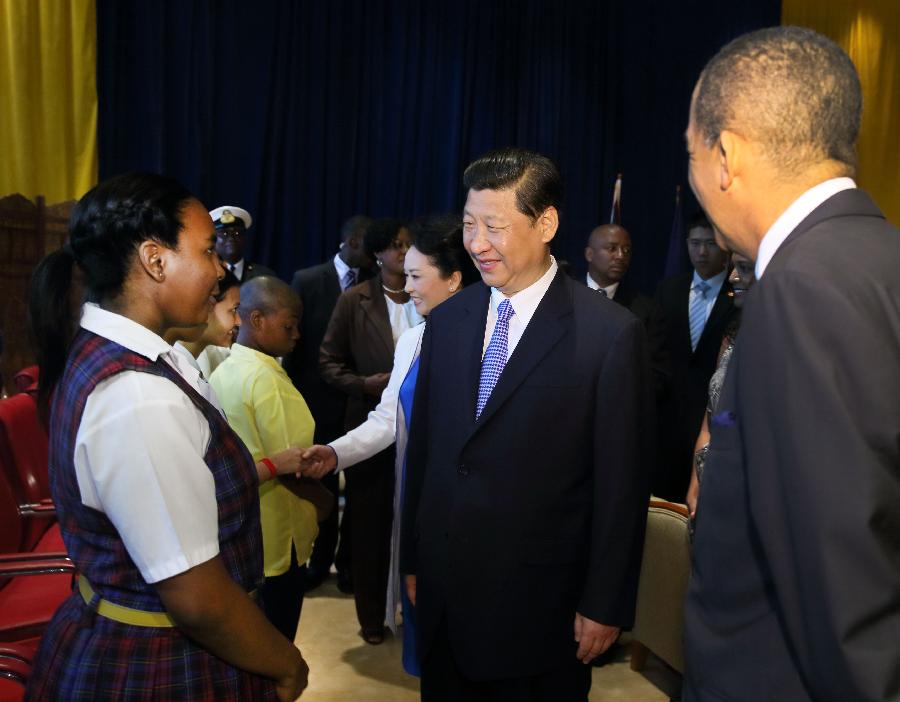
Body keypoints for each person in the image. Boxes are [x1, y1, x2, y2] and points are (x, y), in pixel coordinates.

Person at [25, 172, 307, 700]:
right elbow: (196, 597)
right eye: (206, 251)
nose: (222, 267)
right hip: (157, 664)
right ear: (155, 261)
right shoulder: (138, 395)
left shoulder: (147, 356)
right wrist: (286, 663)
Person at [683, 26, 900, 701]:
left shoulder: (803, 287)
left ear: (725, 156)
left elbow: (838, 572)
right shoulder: (876, 257)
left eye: (689, 153)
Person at [400, 148, 652, 701]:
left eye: (494, 226)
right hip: (445, 598)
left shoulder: (609, 335)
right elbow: (428, 453)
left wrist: (604, 601)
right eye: (469, 225)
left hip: (541, 610)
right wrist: (414, 560)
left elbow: (620, 486)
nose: (476, 243)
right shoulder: (448, 322)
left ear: (546, 224)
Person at [302, 215, 478, 674]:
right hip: (416, 501)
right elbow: (387, 421)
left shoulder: (489, 342)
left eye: (418, 276)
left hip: (464, 511)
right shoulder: (414, 341)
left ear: (455, 279)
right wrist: (334, 453)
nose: (407, 286)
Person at [209, 276, 319, 643]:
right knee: (278, 642)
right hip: (277, 536)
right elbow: (294, 463)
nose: (297, 334)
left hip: (240, 529)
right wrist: (324, 503)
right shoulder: (265, 379)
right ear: (256, 320)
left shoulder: (225, 368)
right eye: (289, 325)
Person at [283, 214, 373, 593]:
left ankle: (349, 565)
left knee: (358, 491)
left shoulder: (373, 284)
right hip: (315, 404)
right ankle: (317, 562)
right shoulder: (307, 279)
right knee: (319, 485)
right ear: (352, 243)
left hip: (359, 405)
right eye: (369, 247)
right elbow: (294, 346)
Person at [653, 212, 736, 501]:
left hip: (715, 421)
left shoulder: (738, 292)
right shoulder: (668, 289)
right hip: (669, 421)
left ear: (724, 246)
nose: (701, 252)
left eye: (710, 244)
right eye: (695, 243)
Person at [684, 252, 754, 520]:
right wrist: (697, 476)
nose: (733, 276)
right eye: (734, 267)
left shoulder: (785, 339)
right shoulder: (732, 335)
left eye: (744, 268)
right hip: (711, 479)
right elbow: (716, 416)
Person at [584, 223, 668, 397]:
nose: (621, 256)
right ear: (590, 254)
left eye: (626, 250)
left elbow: (657, 373)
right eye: (612, 248)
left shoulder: (646, 310)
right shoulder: (566, 297)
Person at [210, 205, 276, 282]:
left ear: (245, 238)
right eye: (224, 233)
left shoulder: (265, 276)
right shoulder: (208, 275)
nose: (231, 238)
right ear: (214, 239)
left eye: (237, 233)